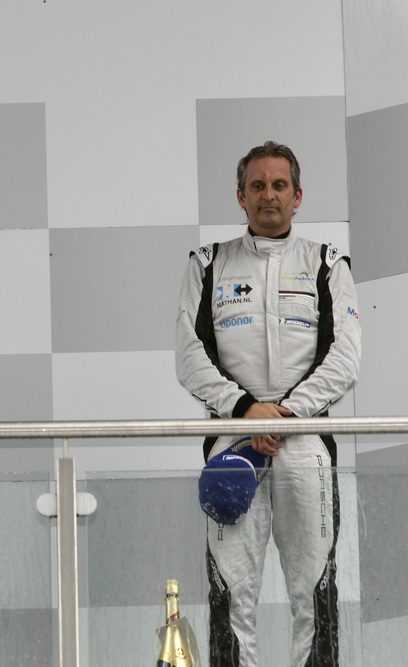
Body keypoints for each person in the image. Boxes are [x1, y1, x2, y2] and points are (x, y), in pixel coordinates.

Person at [175, 141, 361, 667]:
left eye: (280, 185)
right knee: (231, 597)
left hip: (305, 446)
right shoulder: (208, 264)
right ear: (241, 196)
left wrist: (284, 417)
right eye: (257, 186)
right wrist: (245, 411)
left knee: (314, 595)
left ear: (297, 196)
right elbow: (189, 356)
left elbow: (345, 358)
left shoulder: (326, 264)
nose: (269, 195)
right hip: (232, 445)